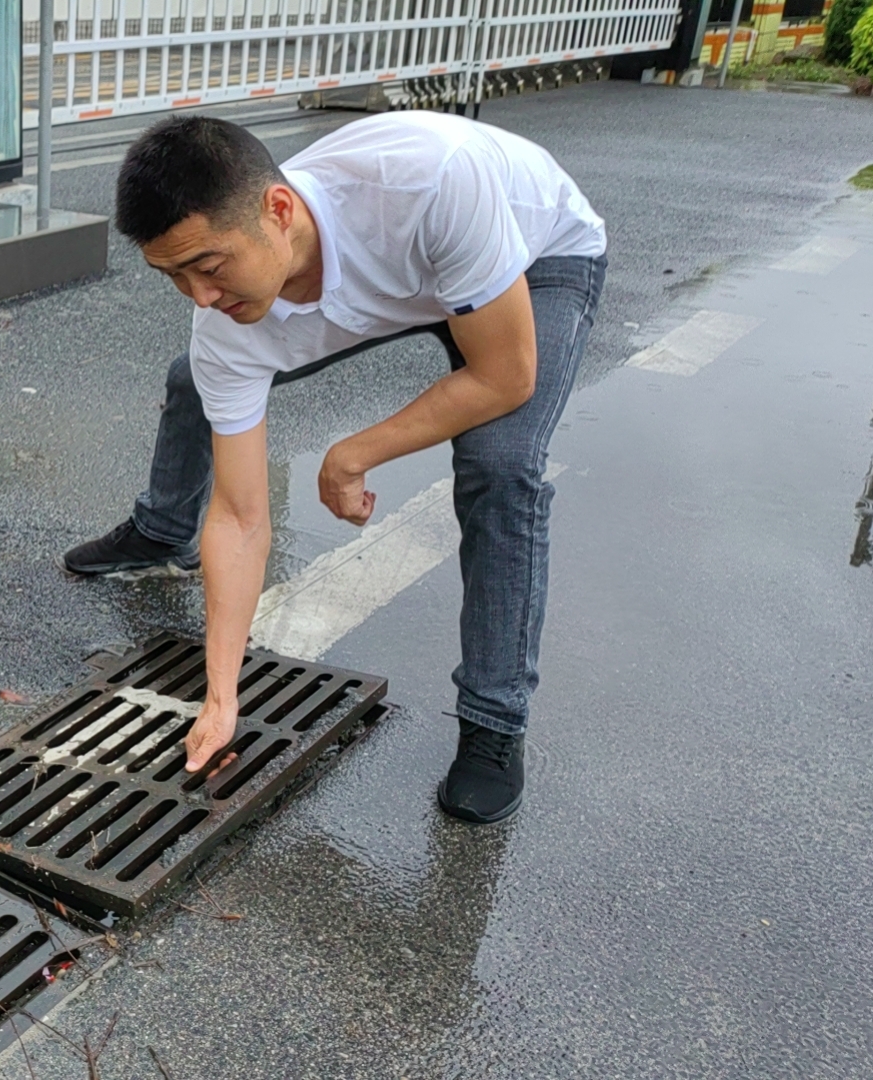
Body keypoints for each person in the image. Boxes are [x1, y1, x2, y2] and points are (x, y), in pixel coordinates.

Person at [64, 112, 606, 824]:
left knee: (498, 464)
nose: (199, 296)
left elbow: (505, 374)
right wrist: (222, 694)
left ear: (278, 212)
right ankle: (165, 529)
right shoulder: (224, 313)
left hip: (535, 257)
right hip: (409, 273)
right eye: (173, 276)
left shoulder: (430, 183)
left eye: (208, 266)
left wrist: (355, 454)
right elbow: (241, 515)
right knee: (200, 374)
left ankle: (494, 722)